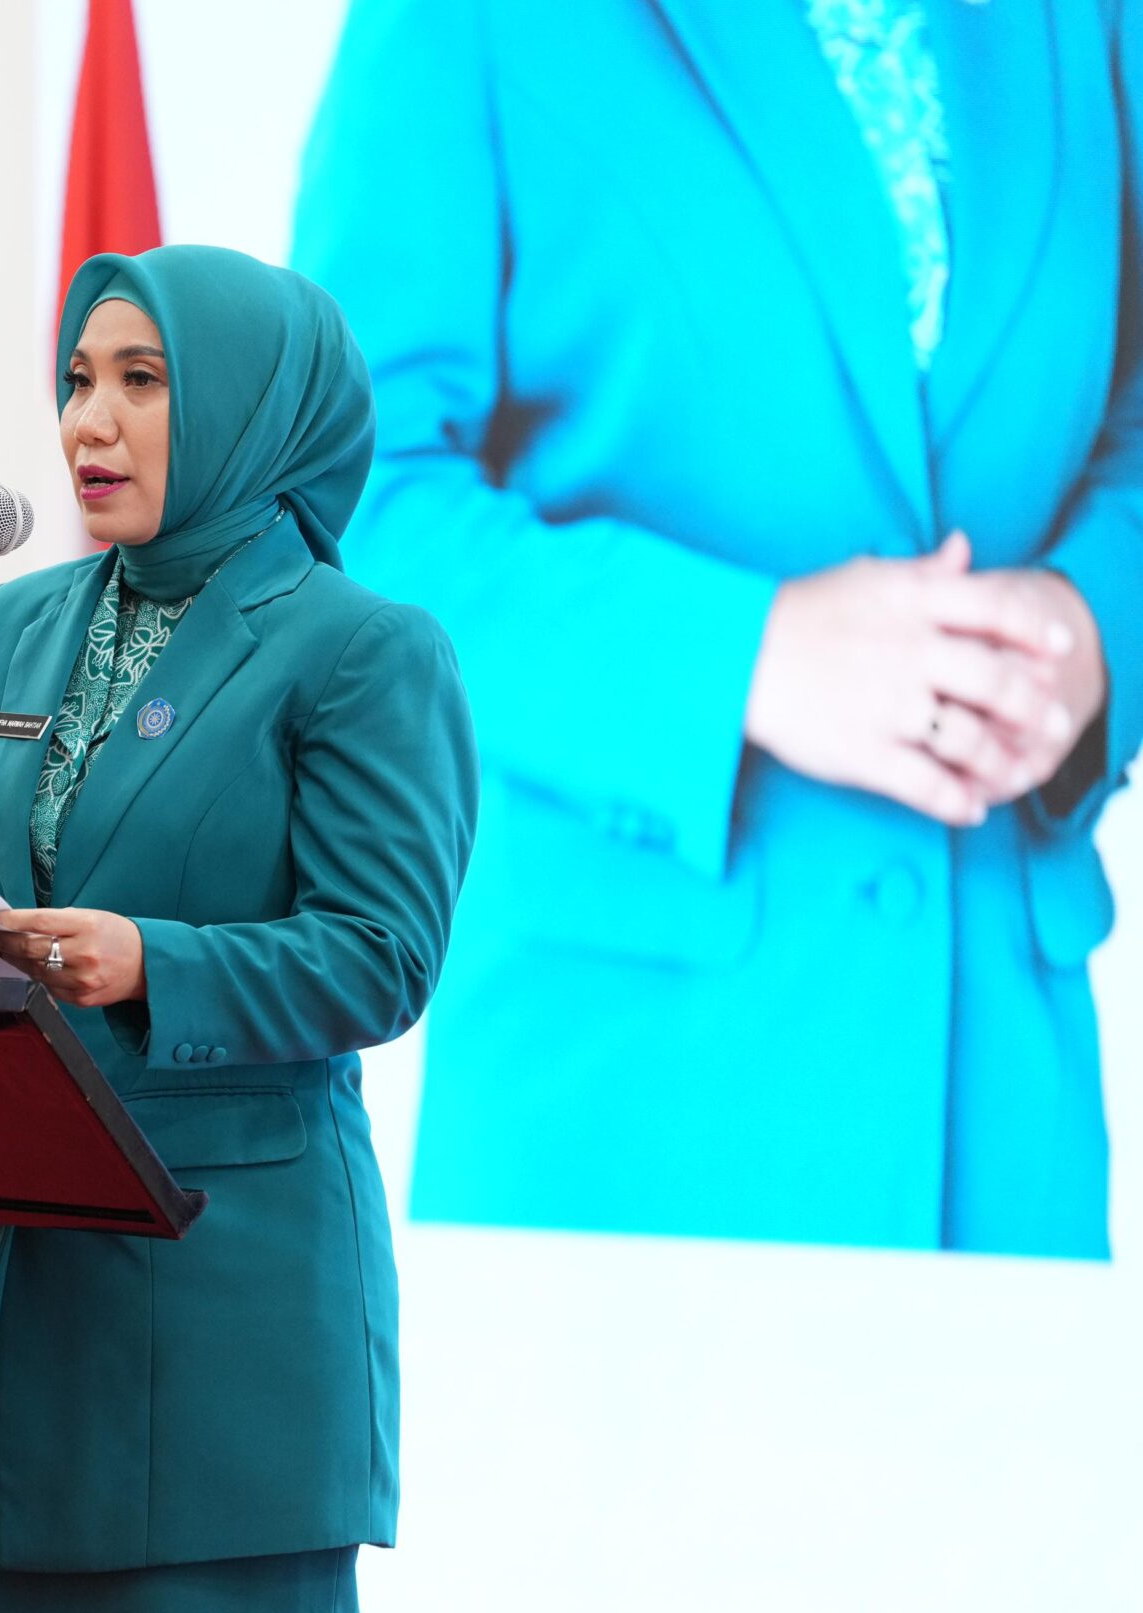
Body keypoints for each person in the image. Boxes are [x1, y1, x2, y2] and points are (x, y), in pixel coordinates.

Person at [293, 0, 1139, 1258]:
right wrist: (745, 657)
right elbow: (345, 499)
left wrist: (1093, 626)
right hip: (630, 1112)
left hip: (1005, 1115)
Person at [0, 244, 478, 1613]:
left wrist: (152, 961)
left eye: (142, 382)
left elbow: (383, 953)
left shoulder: (361, 650)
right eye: (78, 379)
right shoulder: (5, 627)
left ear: (251, 404)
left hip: (220, 1323)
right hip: (4, 1307)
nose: (88, 422)